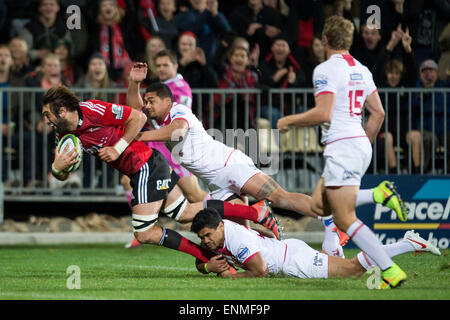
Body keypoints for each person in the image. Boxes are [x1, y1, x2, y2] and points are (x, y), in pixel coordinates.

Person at [127, 75, 409, 249]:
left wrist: (139, 136)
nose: (147, 105)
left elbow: (177, 132)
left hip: (232, 167)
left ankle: (335, 212)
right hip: (218, 181)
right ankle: (272, 250)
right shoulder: (157, 117)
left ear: (166, 100)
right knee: (237, 234)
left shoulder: (179, 110)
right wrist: (133, 83)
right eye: (146, 101)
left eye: (151, 101)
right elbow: (134, 110)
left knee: (282, 197)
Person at [41, 85, 282, 261]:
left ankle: (208, 257)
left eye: (47, 114)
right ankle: (255, 212)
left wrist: (117, 148)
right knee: (185, 212)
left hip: (145, 164)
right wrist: (57, 169)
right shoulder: (65, 136)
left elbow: (138, 116)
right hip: (144, 168)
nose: (46, 120)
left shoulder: (93, 109)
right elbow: (61, 171)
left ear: (62, 110)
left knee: (145, 233)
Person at [277, 16, 408, 289]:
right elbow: (378, 114)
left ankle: (390, 269)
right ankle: (378, 194)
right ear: (349, 40)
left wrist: (289, 120)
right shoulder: (362, 69)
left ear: (324, 40)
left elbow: (323, 112)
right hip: (357, 142)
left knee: (343, 217)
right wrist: (363, 144)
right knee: (317, 205)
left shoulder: (325, 69)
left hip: (343, 146)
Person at [191, 208, 440, 281]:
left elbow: (260, 271)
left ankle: (408, 243)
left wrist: (231, 278)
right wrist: (206, 268)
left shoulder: (236, 239)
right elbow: (199, 258)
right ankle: (331, 225)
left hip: (296, 262)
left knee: (353, 270)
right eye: (202, 238)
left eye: (207, 236)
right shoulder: (223, 231)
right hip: (292, 250)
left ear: (220, 227)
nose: (206, 241)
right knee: (343, 265)